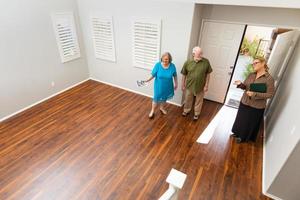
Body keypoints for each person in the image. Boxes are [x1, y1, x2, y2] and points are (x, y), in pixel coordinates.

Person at [231, 56, 275, 143]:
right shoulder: (251, 75)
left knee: (249, 122)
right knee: (240, 119)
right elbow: (246, 87)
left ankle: (243, 137)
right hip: (245, 101)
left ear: (263, 63)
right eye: (253, 63)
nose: (253, 65)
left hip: (256, 106)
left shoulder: (269, 79)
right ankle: (237, 132)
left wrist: (255, 94)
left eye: (256, 63)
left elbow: (270, 94)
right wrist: (240, 84)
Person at [181, 46, 212, 120]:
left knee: (199, 100)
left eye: (201, 53)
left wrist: (206, 85)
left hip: (201, 85)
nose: (201, 55)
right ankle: (186, 110)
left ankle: (196, 114)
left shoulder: (206, 62)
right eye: (199, 53)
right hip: (189, 85)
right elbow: (184, 74)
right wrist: (183, 84)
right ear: (193, 54)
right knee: (188, 99)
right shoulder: (188, 62)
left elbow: (208, 74)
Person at [144, 52, 178, 119]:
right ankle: (152, 110)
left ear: (170, 59)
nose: (165, 60)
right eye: (164, 59)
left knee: (164, 98)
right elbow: (153, 74)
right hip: (158, 86)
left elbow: (175, 75)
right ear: (161, 58)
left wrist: (176, 83)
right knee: (156, 98)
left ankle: (162, 108)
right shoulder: (158, 65)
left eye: (167, 59)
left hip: (168, 86)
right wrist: (147, 80)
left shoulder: (172, 66)